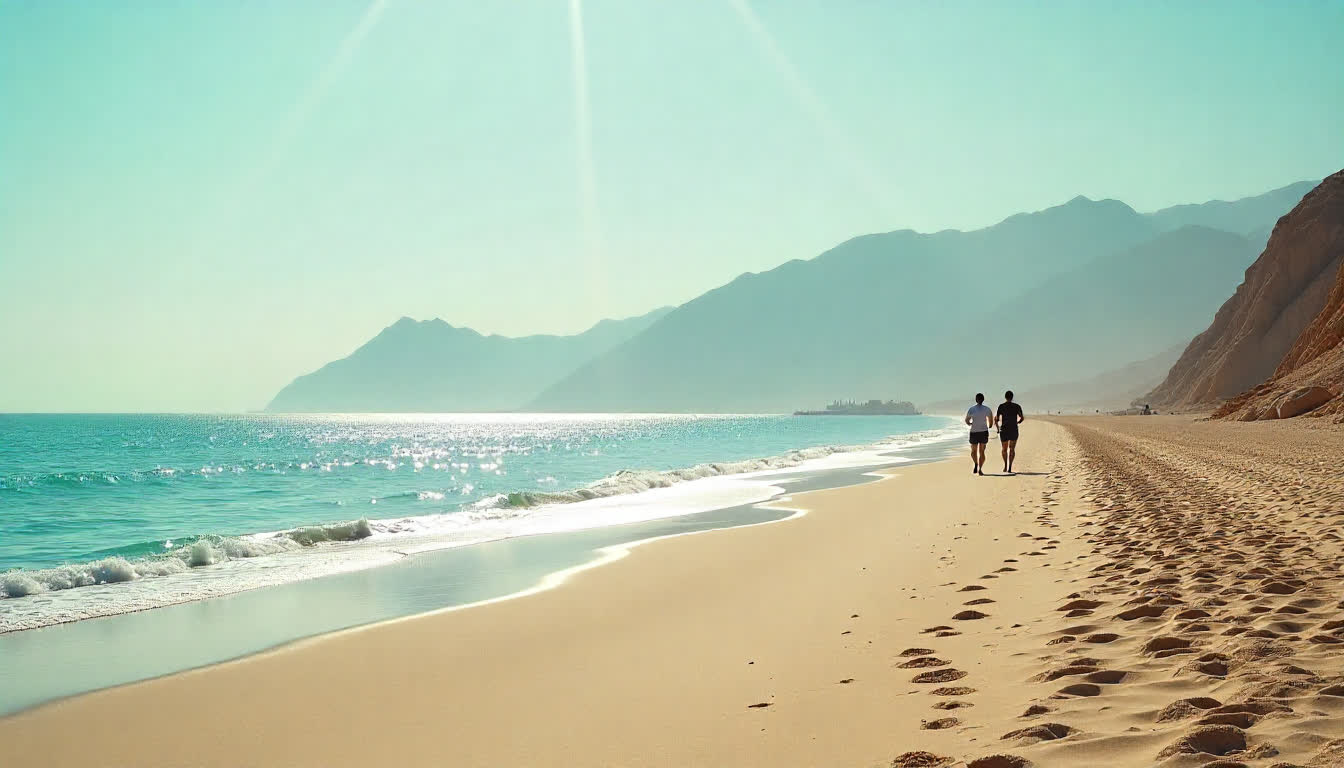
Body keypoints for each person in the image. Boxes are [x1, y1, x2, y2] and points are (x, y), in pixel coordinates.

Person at [996, 390, 1025, 473]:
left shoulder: (1001, 406)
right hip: (1013, 429)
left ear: (1005, 397)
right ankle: (1010, 467)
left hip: (1004, 430)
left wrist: (998, 429)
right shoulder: (1017, 406)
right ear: (1012, 397)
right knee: (1012, 449)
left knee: (1004, 449)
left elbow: (996, 419)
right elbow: (1022, 418)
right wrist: (1017, 422)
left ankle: (1005, 465)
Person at [964, 393, 993, 475]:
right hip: (983, 432)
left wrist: (970, 423)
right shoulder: (987, 409)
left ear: (976, 400)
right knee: (982, 451)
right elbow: (991, 422)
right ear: (983, 400)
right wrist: (989, 426)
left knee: (973, 451)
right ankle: (980, 469)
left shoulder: (972, 409)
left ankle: (976, 464)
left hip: (974, 432)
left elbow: (967, 420)